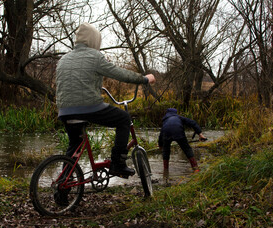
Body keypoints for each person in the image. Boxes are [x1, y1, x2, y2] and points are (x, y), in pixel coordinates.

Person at [56, 22, 156, 178]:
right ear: (93, 40)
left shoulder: (63, 59)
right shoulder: (95, 56)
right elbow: (119, 73)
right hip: (88, 107)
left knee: (75, 145)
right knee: (123, 119)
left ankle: (63, 187)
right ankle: (117, 164)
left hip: (64, 110)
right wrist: (143, 79)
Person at [158, 108, 207, 172]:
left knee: (166, 152)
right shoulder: (179, 117)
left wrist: (160, 145)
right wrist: (200, 134)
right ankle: (196, 169)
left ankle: (165, 171)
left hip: (166, 134)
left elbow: (161, 133)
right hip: (178, 133)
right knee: (187, 149)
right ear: (175, 113)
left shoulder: (165, 120)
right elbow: (193, 123)